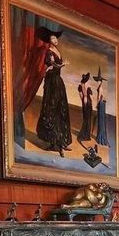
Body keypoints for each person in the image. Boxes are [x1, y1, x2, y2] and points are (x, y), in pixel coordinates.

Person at [35, 27, 72, 157]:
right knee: (52, 109)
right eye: (52, 38)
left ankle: (61, 142)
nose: (55, 40)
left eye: (55, 37)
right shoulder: (49, 51)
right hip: (52, 81)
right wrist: (63, 64)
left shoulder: (57, 50)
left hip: (58, 81)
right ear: (49, 41)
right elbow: (53, 65)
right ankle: (55, 143)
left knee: (61, 109)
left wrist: (62, 65)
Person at [93, 66, 109, 147]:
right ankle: (101, 137)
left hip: (101, 104)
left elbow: (99, 97)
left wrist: (97, 104)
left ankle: (101, 138)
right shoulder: (100, 87)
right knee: (101, 120)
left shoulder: (100, 87)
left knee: (101, 120)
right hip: (102, 104)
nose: (97, 82)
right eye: (97, 81)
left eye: (98, 81)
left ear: (100, 81)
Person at [77, 72, 93, 142]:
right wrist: (84, 101)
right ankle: (86, 135)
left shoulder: (82, 85)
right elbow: (85, 95)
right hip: (87, 103)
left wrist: (84, 103)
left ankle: (85, 135)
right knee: (87, 119)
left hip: (86, 103)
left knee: (86, 118)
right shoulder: (83, 85)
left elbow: (83, 96)